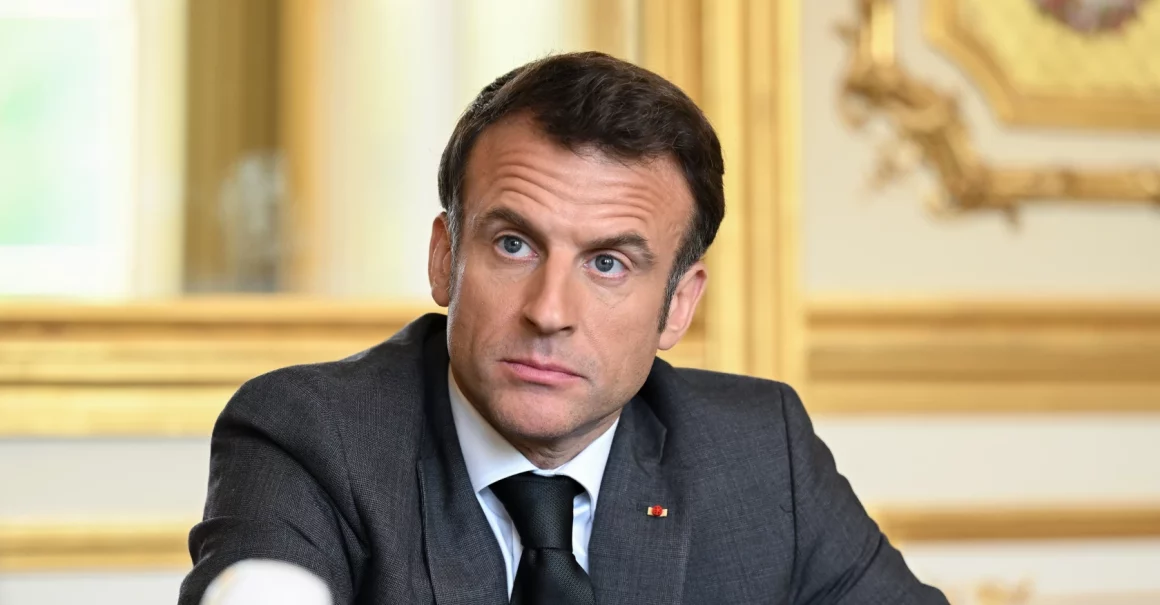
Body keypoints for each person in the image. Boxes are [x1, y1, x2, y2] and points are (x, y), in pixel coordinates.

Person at [178, 51, 948, 605]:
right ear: (445, 258)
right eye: (513, 244)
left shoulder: (757, 451)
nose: (549, 311)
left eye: (608, 263)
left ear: (678, 304)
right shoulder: (310, 435)